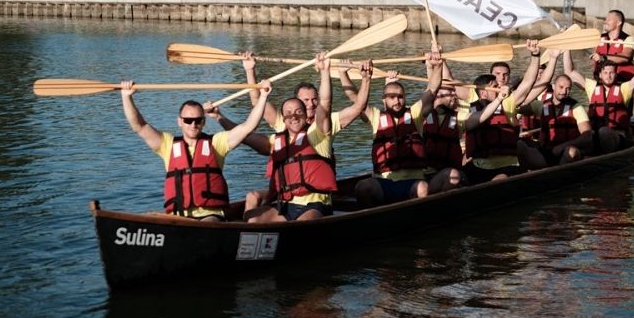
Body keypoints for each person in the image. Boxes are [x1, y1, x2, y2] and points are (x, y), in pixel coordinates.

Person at [230, 53, 373, 222]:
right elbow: (258, 103)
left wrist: (327, 72)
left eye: (314, 100)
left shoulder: (323, 127)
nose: (311, 104)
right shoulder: (284, 124)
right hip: (287, 200)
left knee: (302, 222)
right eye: (305, 101)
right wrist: (250, 70)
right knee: (253, 213)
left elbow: (339, 105)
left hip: (314, 202)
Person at [119, 78, 272, 221]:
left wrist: (263, 97)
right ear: (180, 121)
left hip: (211, 216)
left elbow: (248, 126)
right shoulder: (167, 144)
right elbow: (139, 126)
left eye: (198, 120)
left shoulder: (216, 143)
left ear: (203, 122)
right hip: (178, 218)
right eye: (188, 120)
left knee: (208, 222)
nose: (193, 124)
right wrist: (127, 97)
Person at [345, 48, 443, 208]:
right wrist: (346, 75)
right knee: (362, 187)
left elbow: (432, 89)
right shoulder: (375, 116)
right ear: (384, 100)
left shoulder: (415, 114)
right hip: (384, 182)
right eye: (391, 97)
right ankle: (371, 219)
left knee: (423, 188)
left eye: (400, 97)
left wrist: (437, 66)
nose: (397, 101)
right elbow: (356, 100)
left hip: (411, 182)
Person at [464, 40, 550, 181]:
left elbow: (528, 81)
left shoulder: (508, 102)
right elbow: (477, 120)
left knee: (500, 179)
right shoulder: (472, 108)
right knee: (458, 176)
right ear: (483, 93)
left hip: (507, 167)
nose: (499, 87)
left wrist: (535, 55)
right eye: (494, 86)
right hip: (480, 166)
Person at [564, 41, 634, 154]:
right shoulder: (592, 87)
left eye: (612, 73)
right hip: (595, 135)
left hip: (617, 137)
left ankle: (597, 154)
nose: (608, 76)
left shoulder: (624, 89)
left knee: (604, 132)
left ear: (616, 74)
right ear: (600, 75)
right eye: (605, 73)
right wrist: (566, 46)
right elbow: (569, 72)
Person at [523, 74, 594, 166]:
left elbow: (587, 136)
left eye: (568, 88)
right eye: (561, 87)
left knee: (571, 152)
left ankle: (557, 174)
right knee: (522, 145)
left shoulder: (576, 107)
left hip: (566, 151)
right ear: (553, 86)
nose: (564, 91)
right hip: (546, 150)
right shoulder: (541, 105)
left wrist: (562, 147)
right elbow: (517, 107)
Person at [590, 9, 634, 82]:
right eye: (606, 19)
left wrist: (603, 58)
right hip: (600, 80)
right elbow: (594, 60)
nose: (605, 22)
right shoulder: (599, 38)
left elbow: (625, 57)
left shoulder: (629, 39)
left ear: (618, 23)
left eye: (609, 20)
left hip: (620, 81)